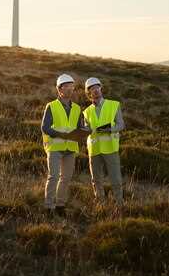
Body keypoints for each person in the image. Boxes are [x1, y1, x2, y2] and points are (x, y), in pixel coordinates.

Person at [41, 74, 84, 215]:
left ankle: (60, 206)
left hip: (70, 148)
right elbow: (45, 128)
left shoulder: (77, 108)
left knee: (65, 178)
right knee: (53, 176)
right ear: (59, 89)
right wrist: (61, 134)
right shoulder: (51, 106)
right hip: (55, 147)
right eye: (66, 87)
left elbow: (79, 128)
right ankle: (48, 207)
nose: (70, 89)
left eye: (72, 87)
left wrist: (84, 132)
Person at [83, 77, 125, 207]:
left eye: (97, 87)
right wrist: (82, 130)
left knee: (116, 179)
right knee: (96, 180)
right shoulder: (87, 111)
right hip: (94, 149)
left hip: (110, 148)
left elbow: (121, 125)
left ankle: (119, 204)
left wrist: (109, 130)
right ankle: (100, 204)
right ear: (88, 93)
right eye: (92, 89)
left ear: (101, 88)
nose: (95, 90)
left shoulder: (114, 105)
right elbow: (88, 128)